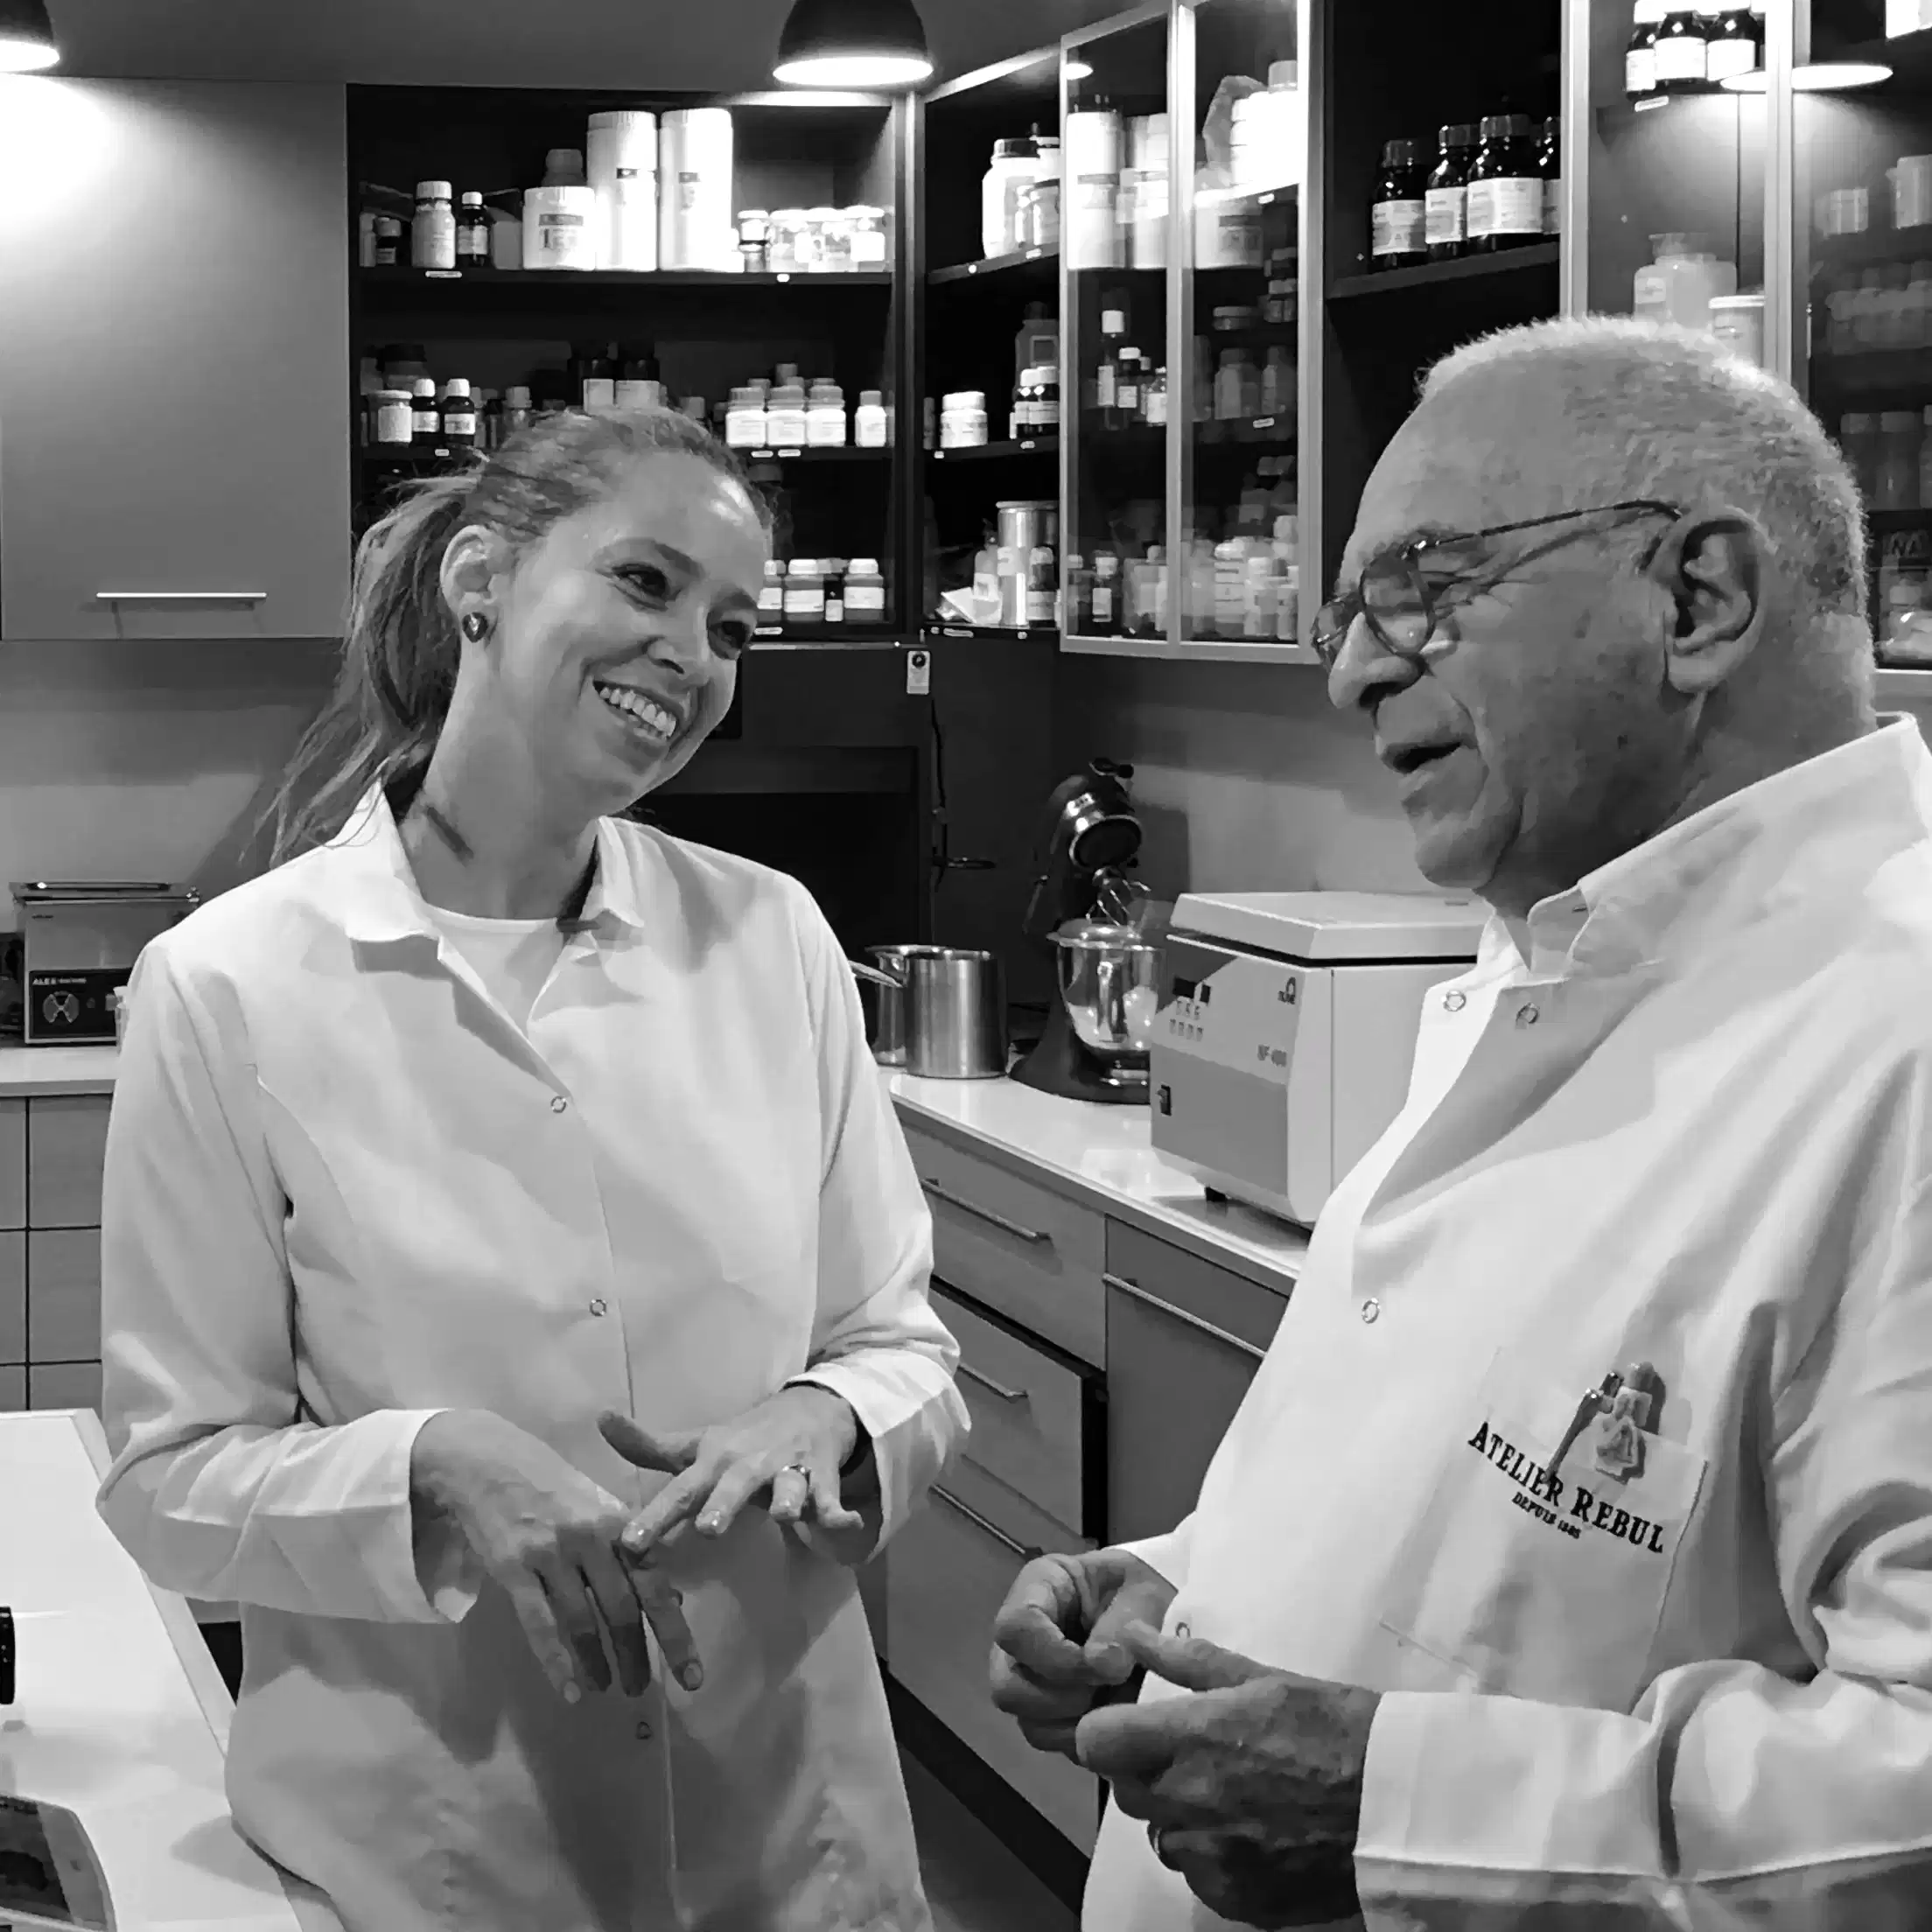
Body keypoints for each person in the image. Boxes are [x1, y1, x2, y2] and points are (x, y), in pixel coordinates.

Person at [991, 315, 1932, 1928]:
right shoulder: (1542, 955)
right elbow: (1456, 1516)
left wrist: (1397, 1812)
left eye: (1425, 584)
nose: (1354, 670)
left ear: (1697, 602)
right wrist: (1190, 1584)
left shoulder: (1895, 1038)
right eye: (1346, 614)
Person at [96, 407, 966, 1932]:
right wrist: (431, 1468)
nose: (690, 656)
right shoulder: (232, 983)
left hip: (787, 1835)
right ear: (481, 581)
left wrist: (829, 1415)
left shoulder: (771, 938)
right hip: (432, 1851)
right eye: (645, 581)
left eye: (731, 628)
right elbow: (169, 1478)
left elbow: (902, 1346)